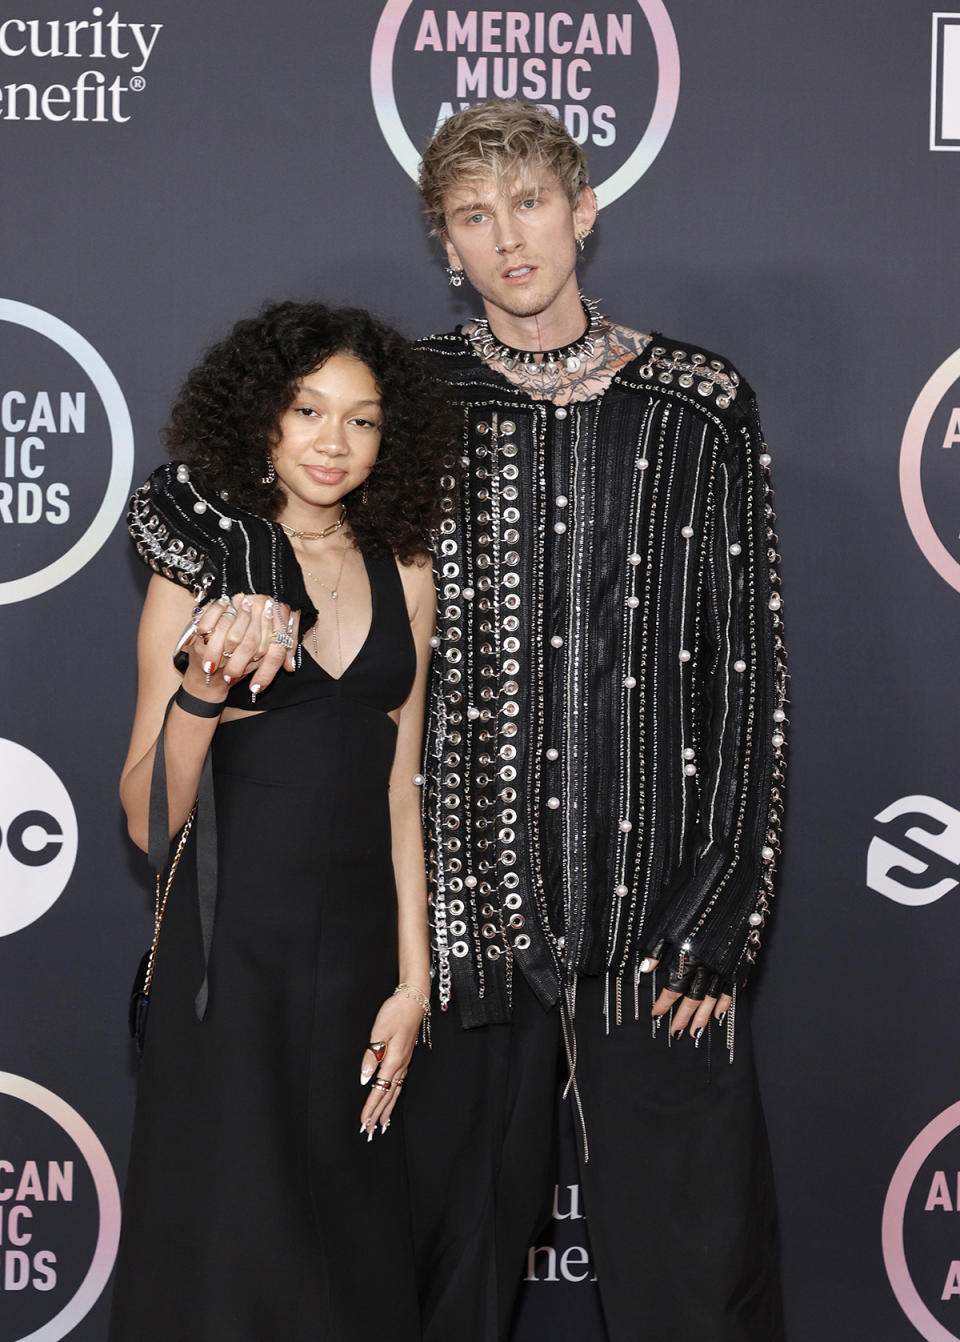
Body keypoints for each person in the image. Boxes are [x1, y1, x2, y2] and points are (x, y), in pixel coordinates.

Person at [403, 100, 788, 1342]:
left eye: (527, 202)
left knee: (695, 1282)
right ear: (446, 246)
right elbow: (256, 524)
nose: (508, 237)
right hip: (465, 921)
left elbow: (750, 668)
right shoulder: (406, 397)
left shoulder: (698, 400)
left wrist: (726, 895)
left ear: (583, 210)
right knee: (434, 1277)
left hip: (660, 920)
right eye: (474, 214)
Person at [109, 302, 454, 1341]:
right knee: (222, 1261)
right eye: (308, 410)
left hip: (357, 973)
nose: (333, 443)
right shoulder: (203, 569)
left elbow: (404, 788)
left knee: (350, 1274)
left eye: (362, 419)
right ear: (262, 418)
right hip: (228, 967)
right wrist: (204, 690)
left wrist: (414, 980)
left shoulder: (408, 569)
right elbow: (145, 820)